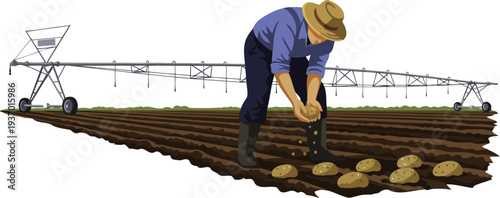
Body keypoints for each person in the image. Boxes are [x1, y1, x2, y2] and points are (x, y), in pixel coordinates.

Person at [238, 0, 347, 168]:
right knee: (258, 95)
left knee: (318, 95)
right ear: (310, 24)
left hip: (295, 52)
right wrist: (295, 103)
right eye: (319, 33)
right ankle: (245, 153)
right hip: (260, 46)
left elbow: (316, 69)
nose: (321, 40)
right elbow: (280, 66)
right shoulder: (287, 24)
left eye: (326, 35)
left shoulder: (327, 39)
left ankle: (318, 150)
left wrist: (310, 99)